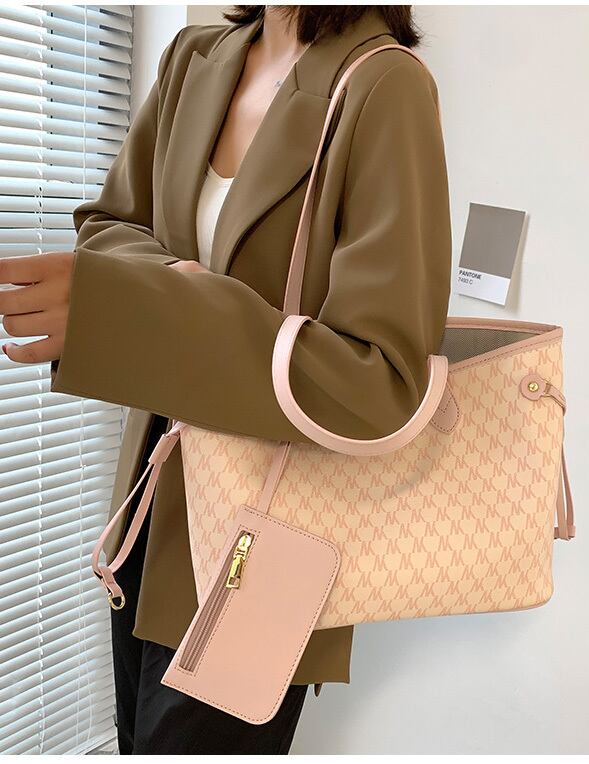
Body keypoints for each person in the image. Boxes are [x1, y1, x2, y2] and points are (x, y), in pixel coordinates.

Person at [0, 4, 452, 754]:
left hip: (270, 542)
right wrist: (166, 287)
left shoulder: (383, 87)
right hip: (148, 511)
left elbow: (382, 382)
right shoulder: (194, 58)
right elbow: (109, 227)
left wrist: (167, 301)